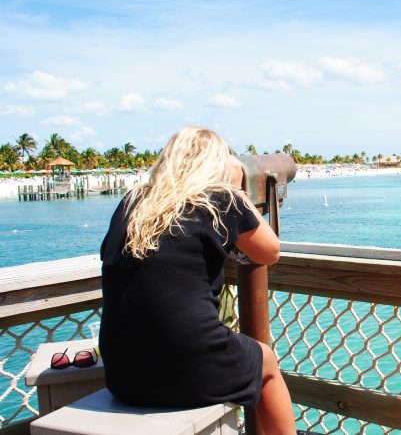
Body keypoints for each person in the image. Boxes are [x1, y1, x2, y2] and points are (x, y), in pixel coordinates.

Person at [99, 126, 296, 435]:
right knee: (266, 363)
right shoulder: (220, 199)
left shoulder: (132, 201)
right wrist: (238, 192)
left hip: (123, 377)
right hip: (189, 369)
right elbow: (269, 252)